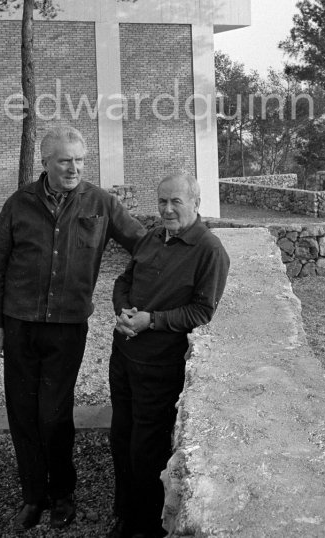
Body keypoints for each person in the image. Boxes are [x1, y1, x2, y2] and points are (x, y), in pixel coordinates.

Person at [0, 124, 145, 532]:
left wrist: (190, 246)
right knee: (23, 412)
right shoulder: (18, 203)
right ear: (45, 162)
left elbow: (144, 245)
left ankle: (62, 494)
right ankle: (33, 496)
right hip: (19, 324)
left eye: (80, 160)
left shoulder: (101, 203)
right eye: (65, 161)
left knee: (54, 414)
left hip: (67, 327)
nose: (74, 168)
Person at [108, 173, 230, 538]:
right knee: (120, 436)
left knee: (146, 448)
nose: (167, 209)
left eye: (176, 201)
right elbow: (123, 282)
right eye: (162, 201)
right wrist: (123, 311)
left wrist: (151, 320)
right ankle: (125, 513)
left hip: (159, 366)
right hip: (123, 356)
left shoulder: (210, 250)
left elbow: (202, 311)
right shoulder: (151, 237)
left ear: (196, 203)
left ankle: (144, 526)